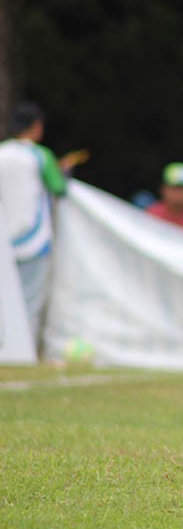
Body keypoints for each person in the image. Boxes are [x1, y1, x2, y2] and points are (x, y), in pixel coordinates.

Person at [0, 102, 87, 358]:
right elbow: (58, 188)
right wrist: (63, 172)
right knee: (29, 302)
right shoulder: (40, 156)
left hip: (4, 242)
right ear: (36, 127)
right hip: (33, 240)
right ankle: (22, 353)